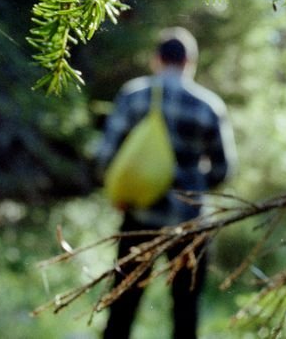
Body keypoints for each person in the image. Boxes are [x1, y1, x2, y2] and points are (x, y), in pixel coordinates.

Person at [96, 27, 236, 339]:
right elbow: (224, 169)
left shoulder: (134, 94)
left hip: (139, 217)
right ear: (190, 62)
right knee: (185, 310)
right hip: (192, 222)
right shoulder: (209, 105)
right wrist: (194, 184)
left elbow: (106, 155)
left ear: (156, 59)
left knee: (122, 304)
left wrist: (121, 191)